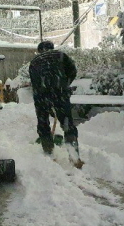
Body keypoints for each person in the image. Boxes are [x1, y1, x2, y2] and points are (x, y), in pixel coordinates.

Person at [28, 40, 84, 169]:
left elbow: (34, 82)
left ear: (39, 50)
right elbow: (72, 71)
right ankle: (74, 157)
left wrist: (43, 100)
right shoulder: (60, 55)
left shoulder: (35, 61)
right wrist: (64, 85)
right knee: (67, 124)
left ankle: (49, 153)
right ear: (52, 48)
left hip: (41, 93)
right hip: (60, 92)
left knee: (43, 123)